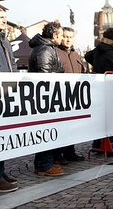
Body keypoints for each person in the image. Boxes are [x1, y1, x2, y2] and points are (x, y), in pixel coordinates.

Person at [29, 21, 65, 176]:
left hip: (49, 97)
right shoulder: (44, 50)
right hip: (46, 98)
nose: (63, 38)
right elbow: (44, 78)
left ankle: (43, 163)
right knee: (46, 130)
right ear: (54, 35)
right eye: (61, 35)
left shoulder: (48, 48)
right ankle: (45, 164)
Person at [85, 28, 113, 150]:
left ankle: (97, 143)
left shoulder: (97, 51)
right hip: (110, 90)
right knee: (110, 118)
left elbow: (87, 56)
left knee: (99, 117)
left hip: (97, 88)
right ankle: (109, 143)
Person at [55, 27, 85, 162]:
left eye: (70, 37)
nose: (68, 39)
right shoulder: (56, 52)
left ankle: (70, 151)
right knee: (62, 126)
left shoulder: (76, 54)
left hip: (75, 95)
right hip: (61, 94)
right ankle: (59, 154)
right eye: (65, 36)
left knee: (72, 125)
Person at [0, 7, 19, 192]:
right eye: (0, 17)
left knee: (3, 134)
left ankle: (1, 171)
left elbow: (12, 64)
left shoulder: (4, 39)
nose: (4, 20)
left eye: (5, 17)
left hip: (6, 92)